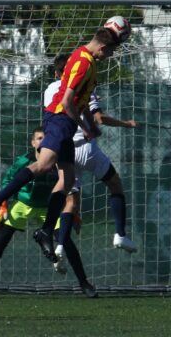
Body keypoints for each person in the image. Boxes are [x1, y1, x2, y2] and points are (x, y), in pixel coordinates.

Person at [0, 26, 124, 263]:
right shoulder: (83, 63)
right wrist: (85, 126)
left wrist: (90, 125)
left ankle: (46, 230)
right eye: (110, 52)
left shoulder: (86, 59)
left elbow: (83, 101)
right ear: (102, 47)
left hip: (66, 124)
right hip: (60, 119)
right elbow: (68, 102)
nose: (109, 56)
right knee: (43, 165)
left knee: (67, 180)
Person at [43, 54, 137, 266]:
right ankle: (120, 234)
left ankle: (59, 248)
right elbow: (98, 117)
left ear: (56, 73)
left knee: (70, 201)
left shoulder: (49, 90)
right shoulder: (83, 85)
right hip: (86, 148)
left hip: (64, 149)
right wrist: (126, 124)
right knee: (115, 185)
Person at [0, 127, 98, 299]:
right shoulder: (24, 161)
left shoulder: (58, 161)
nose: (43, 141)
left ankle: (84, 283)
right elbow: (8, 181)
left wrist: (73, 212)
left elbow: (67, 187)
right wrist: (3, 204)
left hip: (47, 207)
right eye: (39, 138)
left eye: (46, 137)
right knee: (1, 240)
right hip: (23, 203)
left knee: (65, 240)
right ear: (33, 142)